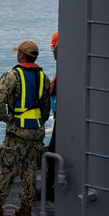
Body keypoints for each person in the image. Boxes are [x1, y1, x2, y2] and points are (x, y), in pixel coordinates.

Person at [0, 40, 50, 216]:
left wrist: (5, 117)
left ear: (22, 55)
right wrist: (39, 122)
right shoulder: (44, 77)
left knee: (7, 167)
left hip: (17, 130)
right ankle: (26, 209)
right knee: (30, 169)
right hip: (36, 131)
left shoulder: (12, 76)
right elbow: (46, 107)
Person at [44, 32, 58, 201]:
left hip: (63, 120)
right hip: (59, 118)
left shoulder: (65, 71)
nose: (53, 51)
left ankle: (49, 191)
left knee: (52, 154)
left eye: (53, 47)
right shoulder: (63, 69)